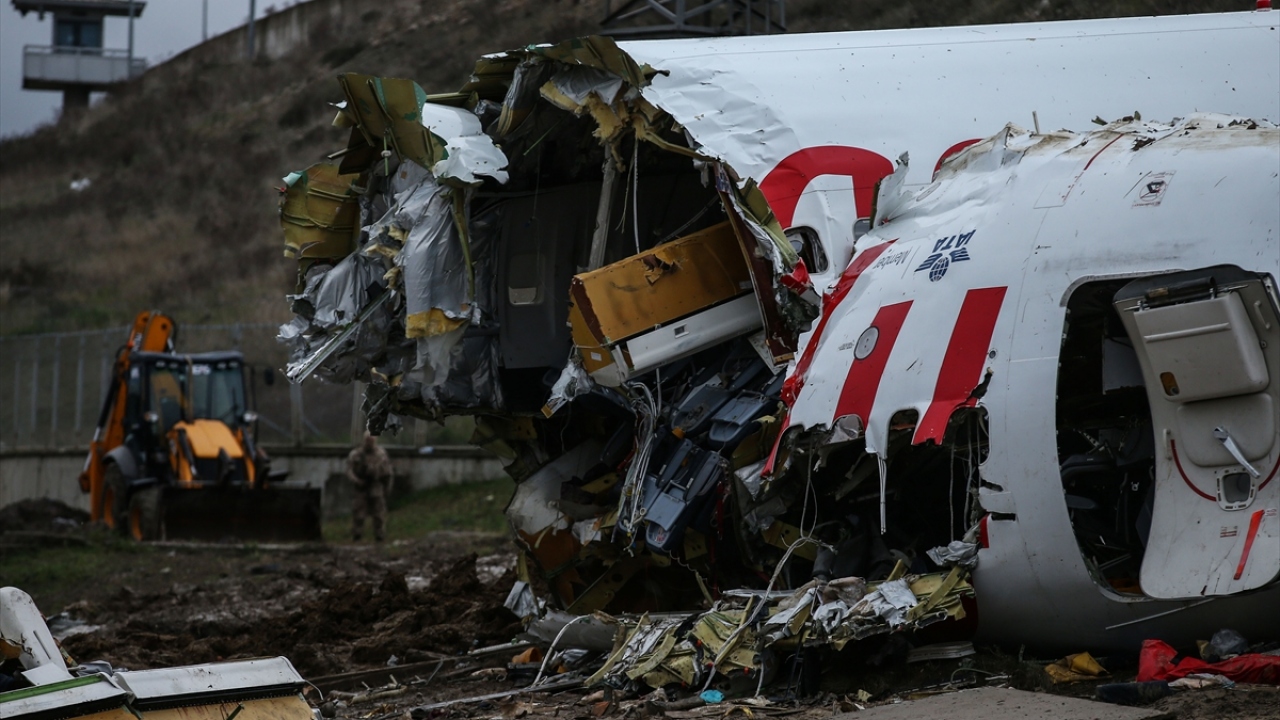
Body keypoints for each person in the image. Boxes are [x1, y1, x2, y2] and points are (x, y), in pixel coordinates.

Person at [346, 432, 392, 542]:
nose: (369, 443)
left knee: (378, 513)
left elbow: (387, 472)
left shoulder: (381, 454)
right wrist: (357, 481)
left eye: (371, 440)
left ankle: (379, 535)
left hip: (376, 485)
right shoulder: (356, 454)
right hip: (361, 486)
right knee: (359, 513)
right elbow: (349, 471)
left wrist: (387, 487)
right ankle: (357, 534)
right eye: (367, 440)